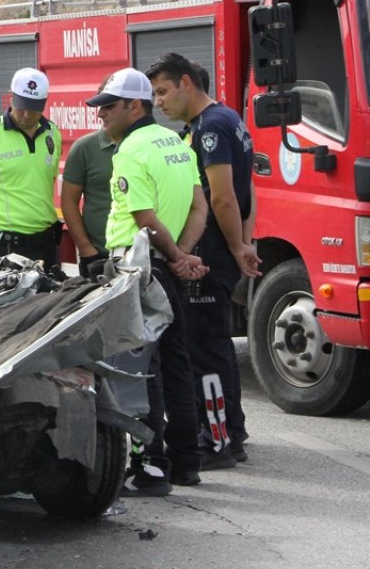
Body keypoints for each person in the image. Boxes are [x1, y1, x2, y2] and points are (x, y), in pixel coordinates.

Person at [86, 69, 208, 495]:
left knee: (139, 371)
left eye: (108, 106)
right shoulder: (176, 142)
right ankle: (186, 463)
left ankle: (151, 467)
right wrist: (183, 256)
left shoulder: (131, 151)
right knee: (176, 365)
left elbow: (144, 218)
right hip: (165, 269)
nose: (100, 114)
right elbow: (199, 207)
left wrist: (174, 256)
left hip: (136, 271)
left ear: (133, 107)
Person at [148, 52, 261, 469]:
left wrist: (234, 247)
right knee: (216, 346)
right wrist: (247, 242)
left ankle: (216, 440)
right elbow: (251, 189)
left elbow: (224, 195)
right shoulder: (228, 118)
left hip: (211, 250)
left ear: (186, 83)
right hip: (223, 246)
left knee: (203, 350)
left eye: (163, 92)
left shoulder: (210, 128)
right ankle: (232, 428)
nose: (159, 102)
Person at [0, 67, 63, 273]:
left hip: (47, 242)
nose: (27, 114)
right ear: (10, 98)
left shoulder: (52, 134)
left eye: (34, 108)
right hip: (7, 244)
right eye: (21, 107)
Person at [61, 128, 116, 276]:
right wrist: (87, 250)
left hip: (145, 254)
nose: (101, 113)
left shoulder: (146, 144)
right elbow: (69, 202)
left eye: (110, 107)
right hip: (99, 254)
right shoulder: (85, 147)